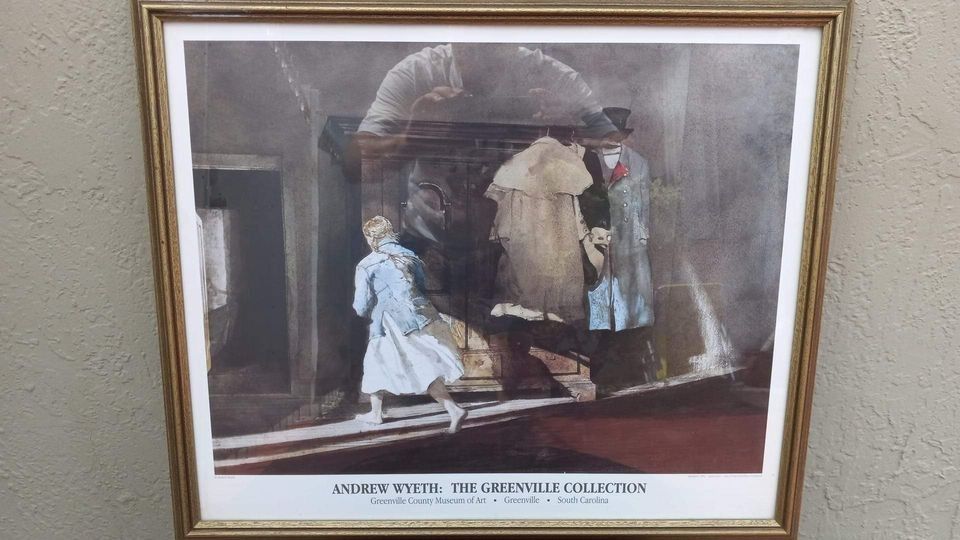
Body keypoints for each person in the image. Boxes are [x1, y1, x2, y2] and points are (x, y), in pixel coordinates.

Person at [352, 216, 468, 433]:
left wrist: (366, 310)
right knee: (396, 363)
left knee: (391, 363)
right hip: (420, 317)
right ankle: (376, 413)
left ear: (371, 237)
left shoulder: (367, 264)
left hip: (389, 323)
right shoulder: (410, 256)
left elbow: (361, 305)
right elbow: (421, 286)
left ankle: (453, 409)